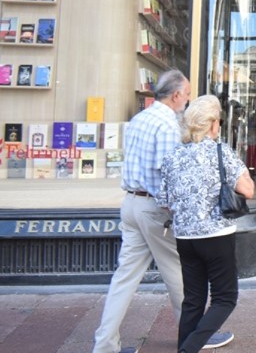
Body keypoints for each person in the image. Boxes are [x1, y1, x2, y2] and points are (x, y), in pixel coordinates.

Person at [92, 69, 233, 353]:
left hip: (130, 203)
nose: (189, 100)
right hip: (154, 208)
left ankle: (105, 345)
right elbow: (171, 174)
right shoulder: (168, 125)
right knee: (180, 275)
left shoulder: (138, 119)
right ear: (177, 94)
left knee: (124, 279)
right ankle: (195, 338)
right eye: (188, 94)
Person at [158, 95, 255, 353]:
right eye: (219, 120)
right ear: (213, 124)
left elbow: (164, 202)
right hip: (216, 236)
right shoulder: (221, 152)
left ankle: (185, 347)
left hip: (185, 238)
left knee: (193, 300)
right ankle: (189, 349)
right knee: (225, 298)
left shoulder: (173, 156)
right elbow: (248, 190)